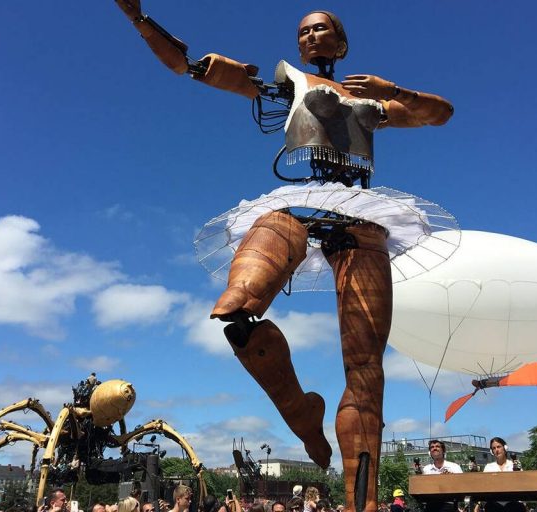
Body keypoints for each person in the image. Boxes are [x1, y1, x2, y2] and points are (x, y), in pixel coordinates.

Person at [114, 5, 455, 512]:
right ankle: (300, 412)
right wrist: (141, 20)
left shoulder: (372, 101)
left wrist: (393, 90)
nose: (310, 36)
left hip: (361, 218)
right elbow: (191, 67)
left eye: (321, 29)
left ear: (340, 43)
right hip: (300, 205)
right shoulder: (289, 82)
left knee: (366, 370)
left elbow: (439, 114)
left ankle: (360, 502)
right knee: (237, 308)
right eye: (303, 31)